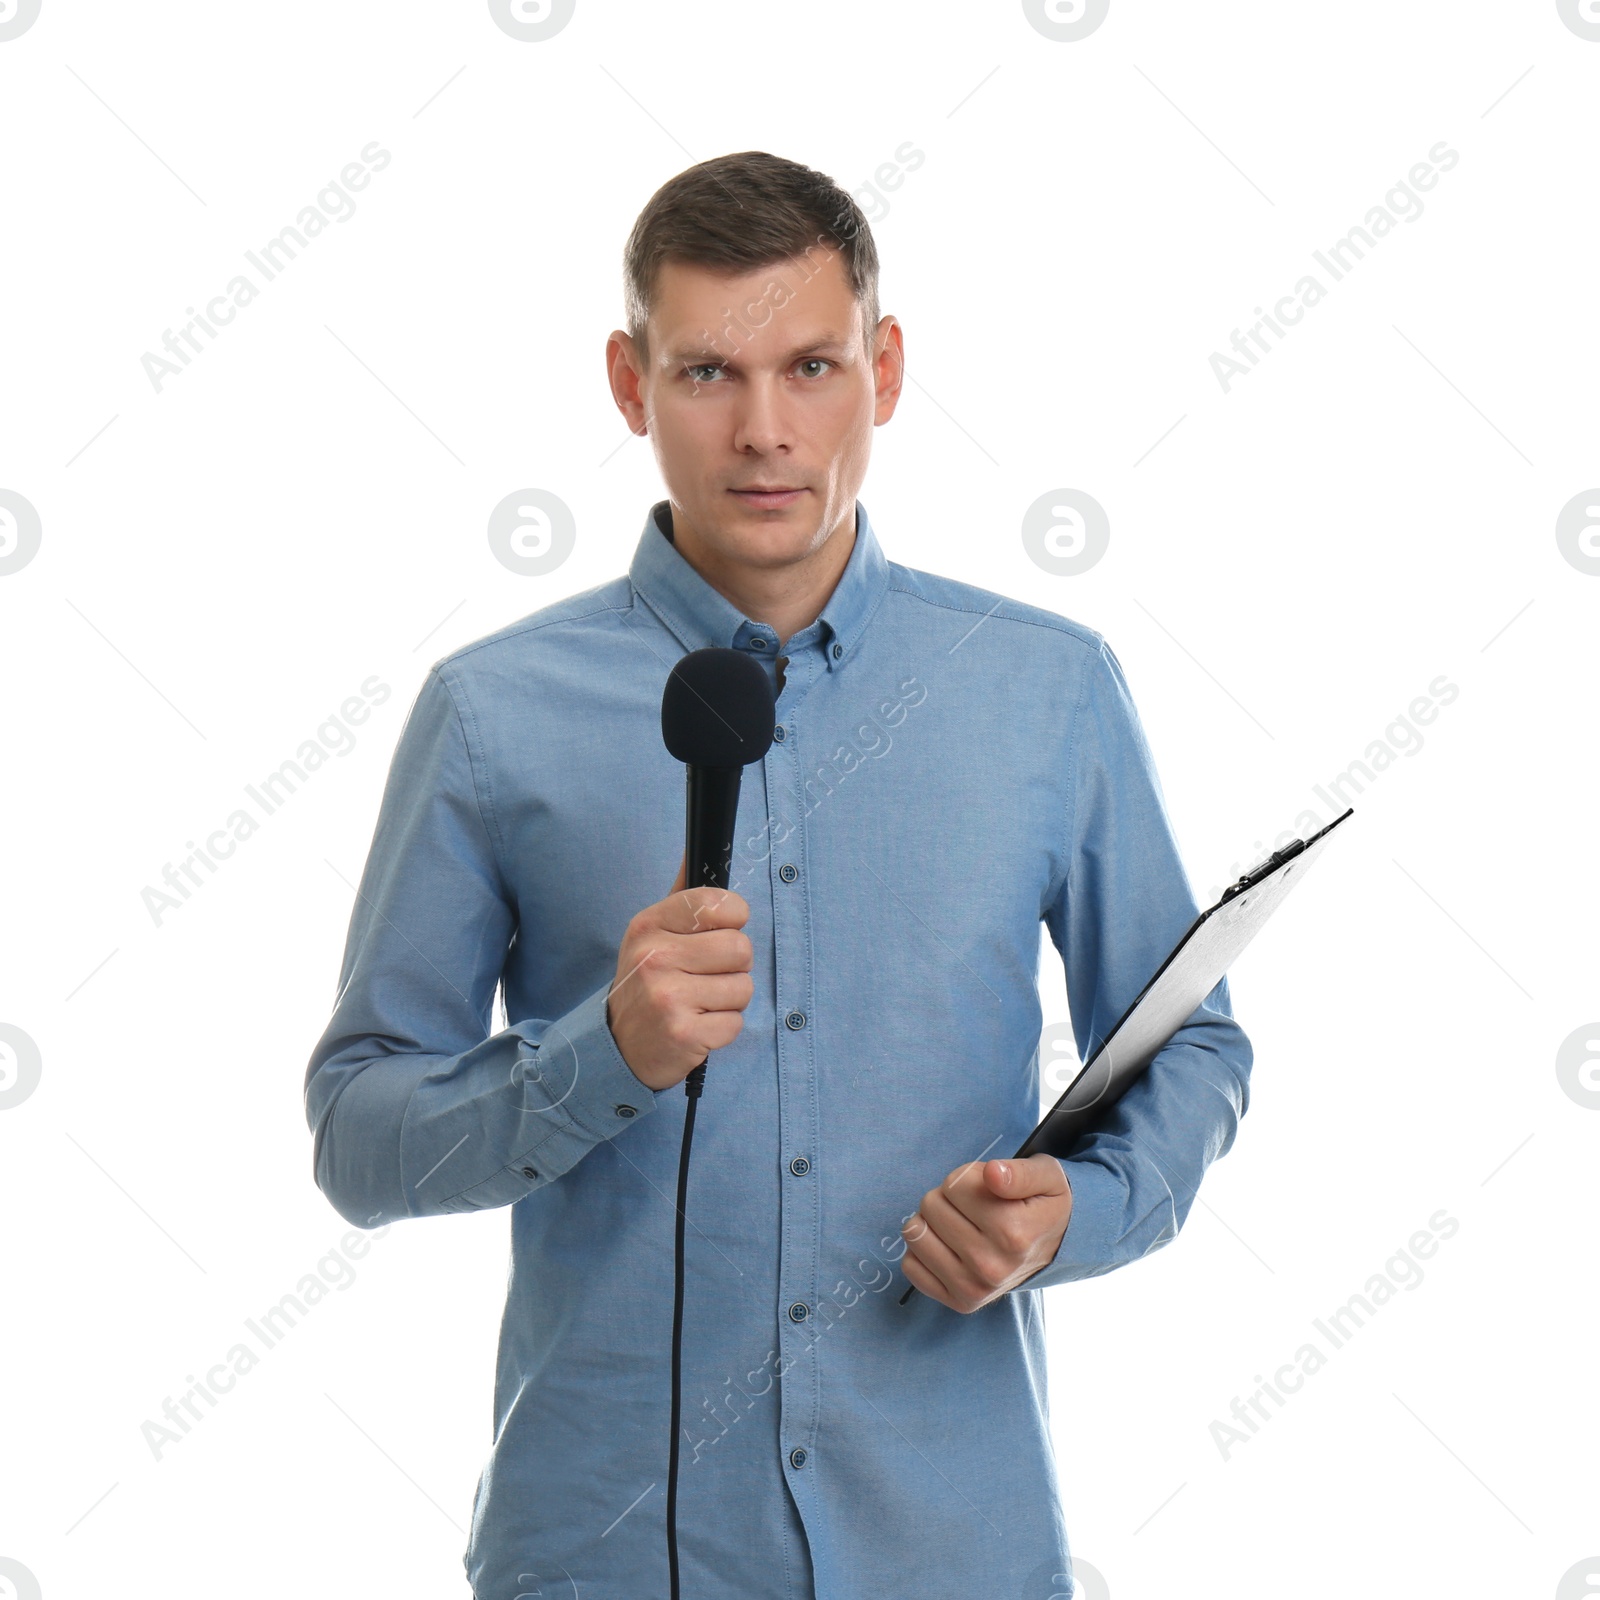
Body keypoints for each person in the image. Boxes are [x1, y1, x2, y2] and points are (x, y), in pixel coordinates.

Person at [303, 149, 1252, 1600]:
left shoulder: (1046, 693)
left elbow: (1194, 1047)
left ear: (883, 367)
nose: (764, 431)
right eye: (706, 375)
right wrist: (597, 1055)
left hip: (956, 1551)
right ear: (630, 386)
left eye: (811, 365)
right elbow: (360, 1140)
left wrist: (1083, 1210)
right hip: (600, 1558)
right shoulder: (494, 714)